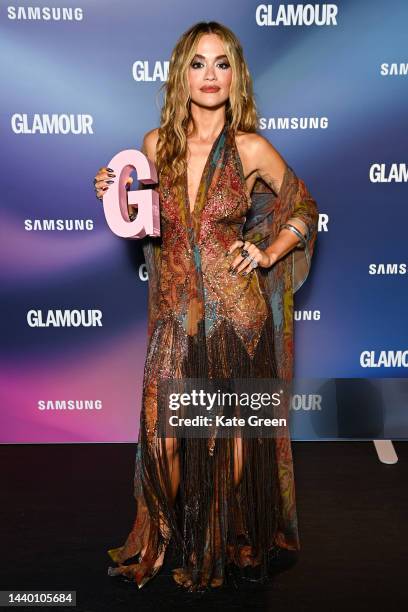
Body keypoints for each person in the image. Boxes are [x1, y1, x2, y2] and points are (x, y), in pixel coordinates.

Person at [94, 21, 318, 592]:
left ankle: (218, 548)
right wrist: (112, 190)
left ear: (236, 74)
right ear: (181, 75)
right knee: (165, 444)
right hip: (175, 317)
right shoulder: (154, 146)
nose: (210, 75)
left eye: (221, 63)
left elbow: (303, 208)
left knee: (231, 454)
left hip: (239, 319)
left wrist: (267, 252)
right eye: (198, 63)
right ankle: (171, 536)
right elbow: (141, 222)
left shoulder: (251, 148)